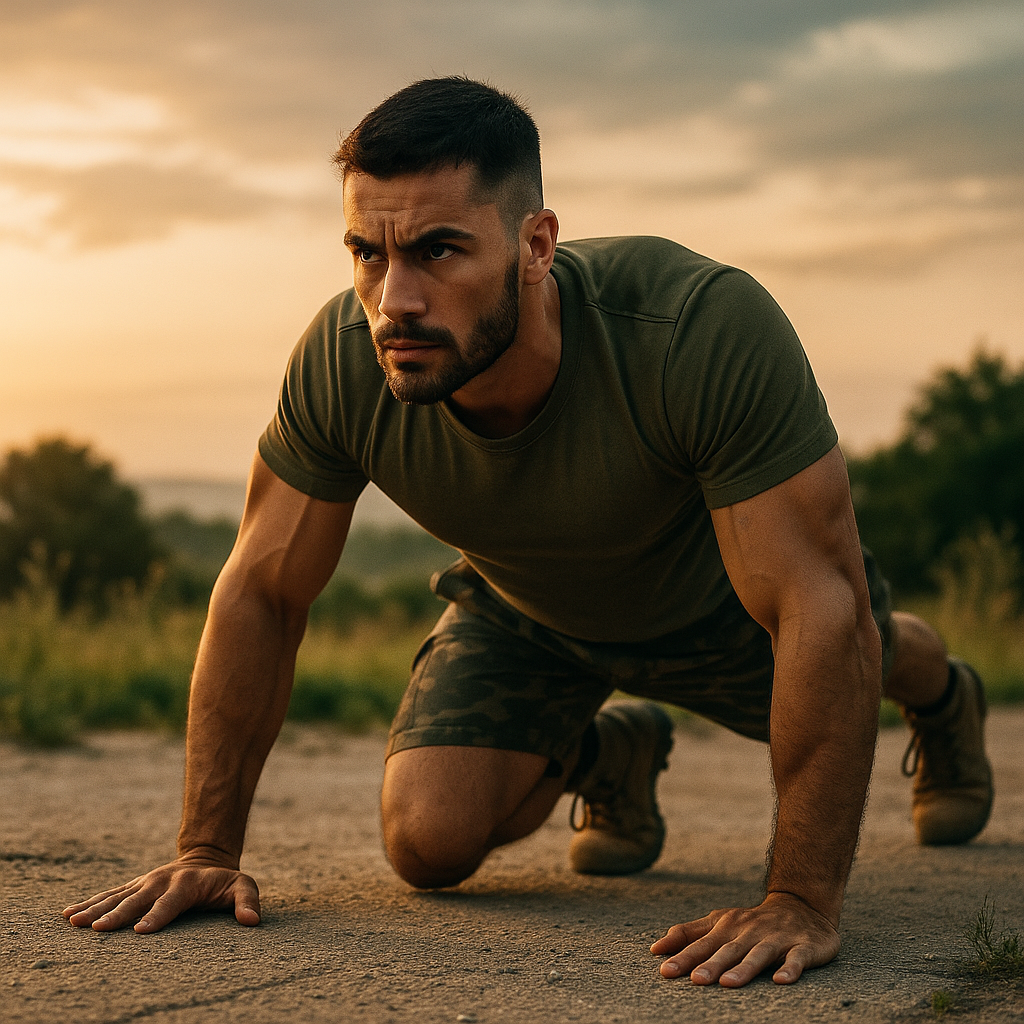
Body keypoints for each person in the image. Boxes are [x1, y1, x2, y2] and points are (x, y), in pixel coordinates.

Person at [63, 77, 994, 988]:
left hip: (726, 609)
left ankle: (944, 695)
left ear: (536, 244)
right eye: (368, 254)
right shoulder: (345, 362)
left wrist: (799, 898)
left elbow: (817, 606)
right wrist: (206, 846)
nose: (395, 301)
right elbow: (261, 590)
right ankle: (610, 750)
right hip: (529, 616)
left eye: (438, 251)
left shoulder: (696, 329)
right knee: (427, 842)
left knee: (869, 640)